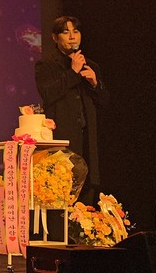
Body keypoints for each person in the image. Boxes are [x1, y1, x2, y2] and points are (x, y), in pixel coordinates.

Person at [34, 16, 109, 205]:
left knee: (86, 194)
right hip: (63, 139)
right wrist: (73, 72)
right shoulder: (47, 65)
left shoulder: (90, 65)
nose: (72, 36)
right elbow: (48, 94)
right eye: (66, 32)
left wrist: (95, 84)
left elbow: (104, 102)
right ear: (55, 37)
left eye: (76, 31)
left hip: (87, 140)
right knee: (62, 192)